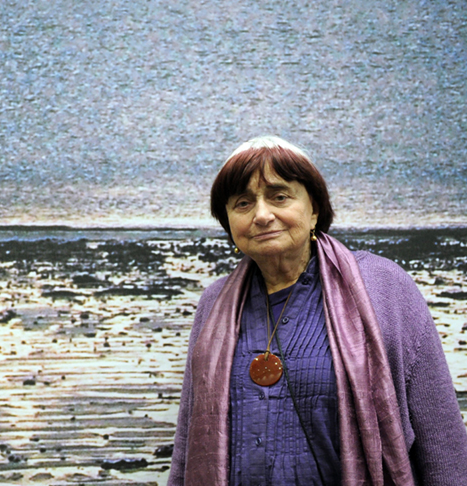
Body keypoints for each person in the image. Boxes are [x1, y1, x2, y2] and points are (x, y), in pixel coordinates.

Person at [167, 136, 467, 485]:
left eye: (279, 196)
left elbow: (443, 440)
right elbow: (189, 444)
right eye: (243, 203)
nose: (262, 215)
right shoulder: (214, 303)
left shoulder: (383, 287)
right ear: (229, 223)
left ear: (314, 210)